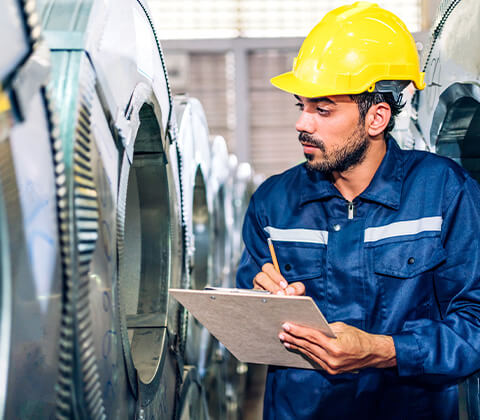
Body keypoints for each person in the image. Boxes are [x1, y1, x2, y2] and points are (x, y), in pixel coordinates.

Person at [235, 2, 480, 419]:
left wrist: (383, 350)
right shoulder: (273, 203)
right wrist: (262, 303)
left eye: (323, 109)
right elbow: (246, 316)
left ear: (377, 117)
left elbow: (475, 325)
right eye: (302, 106)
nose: (303, 123)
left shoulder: (443, 193)